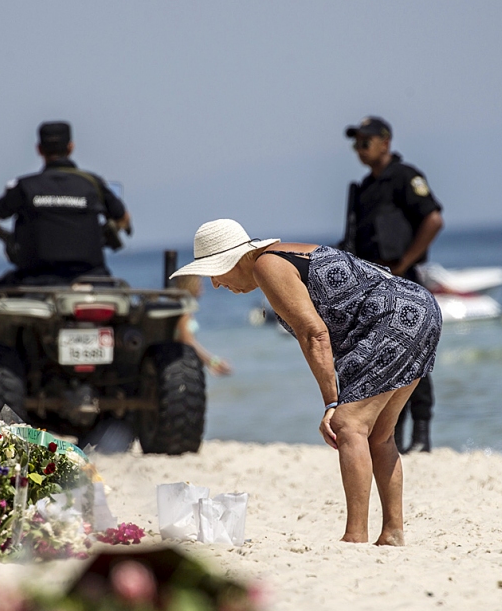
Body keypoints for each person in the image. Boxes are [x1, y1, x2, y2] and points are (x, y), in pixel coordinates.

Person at [172, 219, 442, 546]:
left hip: (393, 316)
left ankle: (355, 536)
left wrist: (332, 404)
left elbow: (314, 334)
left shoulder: (267, 265)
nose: (215, 284)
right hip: (420, 307)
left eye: (215, 272)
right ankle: (392, 532)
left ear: (234, 259)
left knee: (347, 425)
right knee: (379, 435)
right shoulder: (283, 254)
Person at [341, 116, 444, 454]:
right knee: (380, 358)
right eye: (356, 143)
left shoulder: (404, 177)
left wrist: (404, 263)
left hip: (403, 280)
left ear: (385, 142)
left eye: (365, 142)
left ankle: (421, 435)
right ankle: (392, 436)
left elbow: (433, 219)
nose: (359, 149)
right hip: (373, 285)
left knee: (412, 355)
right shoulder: (364, 188)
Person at [0, 121, 131, 282]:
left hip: (35, 279)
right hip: (93, 278)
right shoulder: (93, 184)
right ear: (71, 147)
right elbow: (123, 218)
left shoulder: (25, 187)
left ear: (39, 149)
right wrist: (109, 233)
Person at [172, 275, 232, 376]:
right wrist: (213, 361)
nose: (203, 289)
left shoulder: (181, 308)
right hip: (182, 366)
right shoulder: (183, 312)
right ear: (190, 285)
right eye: (199, 285)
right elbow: (188, 342)